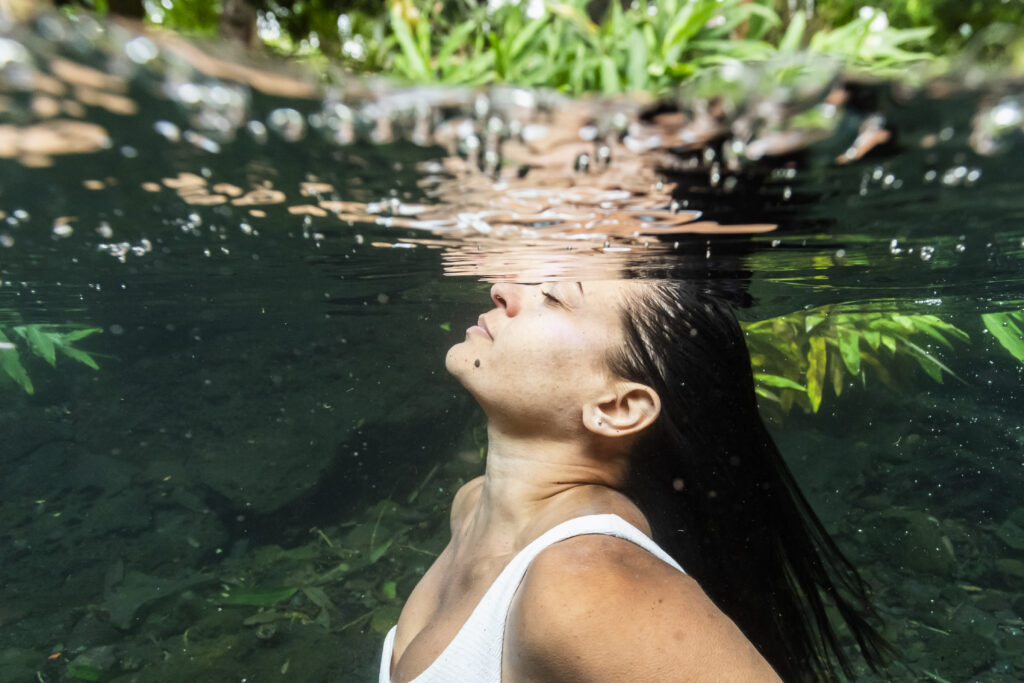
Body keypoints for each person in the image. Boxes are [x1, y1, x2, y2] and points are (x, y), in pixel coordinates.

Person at [380, 279, 887, 682]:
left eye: (553, 296)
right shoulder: (471, 510)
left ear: (617, 408)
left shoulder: (584, 583)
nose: (502, 289)